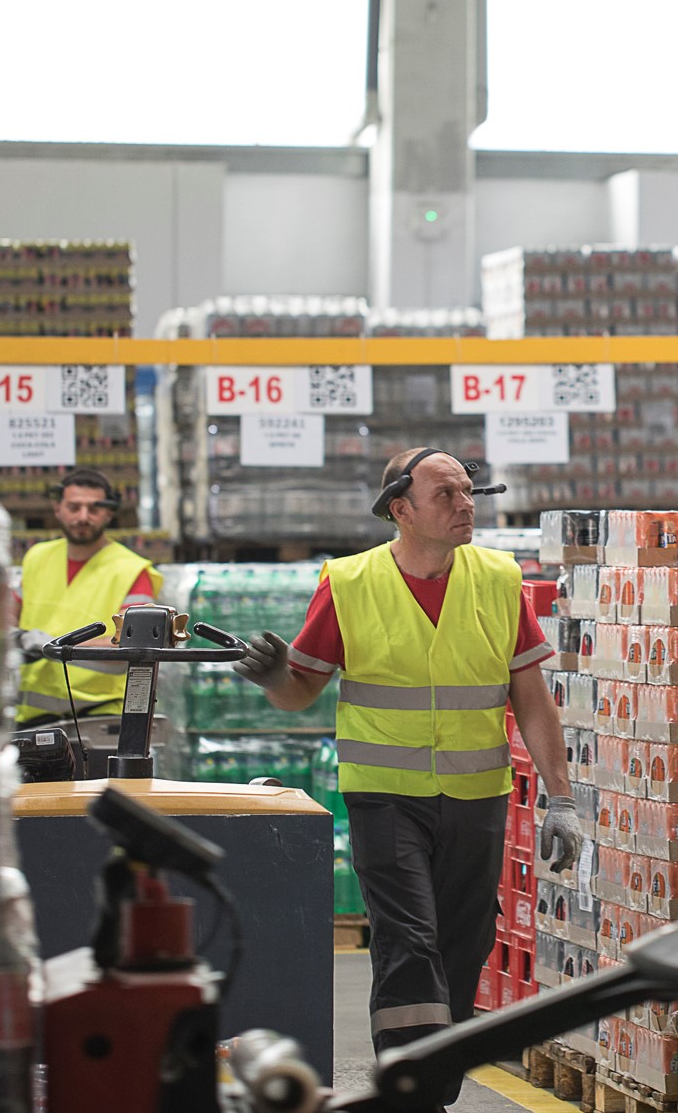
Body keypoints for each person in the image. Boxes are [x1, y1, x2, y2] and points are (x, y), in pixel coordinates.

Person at [234, 447, 582, 1107]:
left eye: (468, 492)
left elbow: (530, 698)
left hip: (477, 799)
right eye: (446, 494)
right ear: (402, 508)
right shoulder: (350, 581)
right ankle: (409, 1094)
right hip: (384, 796)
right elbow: (299, 691)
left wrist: (560, 798)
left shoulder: (497, 578)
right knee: (409, 940)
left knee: (461, 943)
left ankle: (431, 1083)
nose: (465, 505)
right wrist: (274, 675)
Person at [13, 469, 158, 725]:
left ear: (109, 513)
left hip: (99, 718)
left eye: (94, 509)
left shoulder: (131, 570)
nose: (83, 517)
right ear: (58, 508)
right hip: (34, 716)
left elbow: (133, 645)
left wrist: (57, 647)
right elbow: (7, 614)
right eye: (74, 507)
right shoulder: (37, 557)